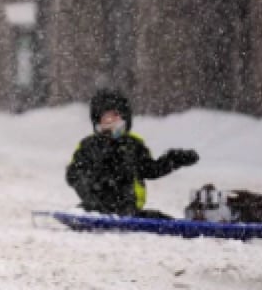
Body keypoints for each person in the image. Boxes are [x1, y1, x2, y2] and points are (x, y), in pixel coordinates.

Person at [65, 88, 200, 219]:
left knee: (157, 218)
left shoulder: (133, 145)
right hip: (96, 204)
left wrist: (174, 159)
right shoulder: (88, 145)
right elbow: (74, 173)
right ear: (97, 121)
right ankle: (90, 211)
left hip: (128, 205)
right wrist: (89, 189)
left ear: (125, 119)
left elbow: (150, 169)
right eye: (106, 118)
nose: (111, 122)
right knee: (88, 201)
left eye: (115, 117)